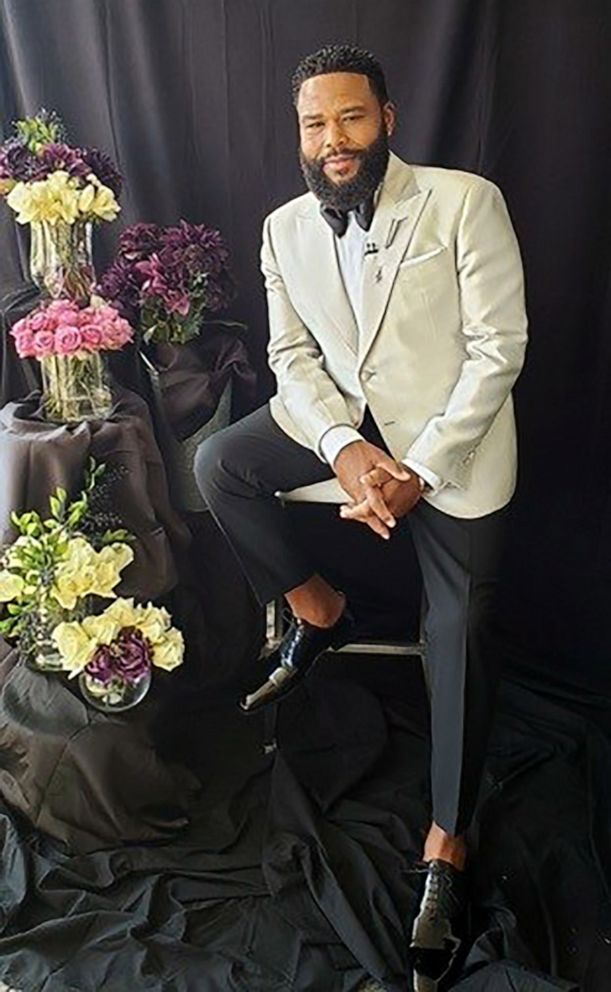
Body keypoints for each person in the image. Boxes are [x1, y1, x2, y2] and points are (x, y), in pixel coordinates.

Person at [195, 43, 527, 980]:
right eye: (313, 123)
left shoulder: (464, 201)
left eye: (349, 117)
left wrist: (417, 466)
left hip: (450, 447)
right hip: (340, 429)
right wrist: (343, 449)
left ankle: (446, 842)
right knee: (220, 463)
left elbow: (498, 350)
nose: (331, 140)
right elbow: (290, 358)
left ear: (386, 120)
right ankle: (317, 612)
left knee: (458, 627)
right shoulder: (282, 228)